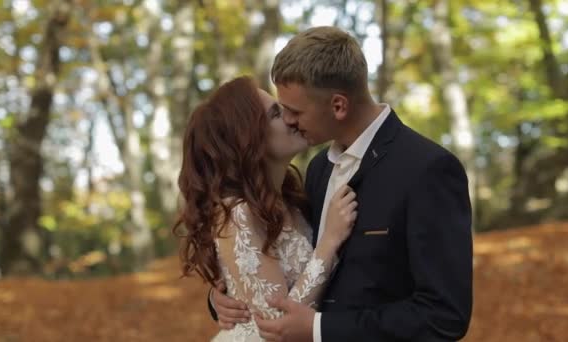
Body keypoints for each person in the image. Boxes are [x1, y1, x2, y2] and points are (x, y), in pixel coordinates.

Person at [210, 26, 473, 341]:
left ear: (338, 106)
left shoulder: (426, 170)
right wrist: (221, 299)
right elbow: (285, 264)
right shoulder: (318, 170)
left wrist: (320, 330)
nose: (288, 121)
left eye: (294, 111)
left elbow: (444, 315)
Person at [173, 76, 359, 341]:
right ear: (248, 139)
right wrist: (329, 243)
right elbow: (279, 324)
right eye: (275, 113)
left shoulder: (292, 198)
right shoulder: (237, 213)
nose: (290, 117)